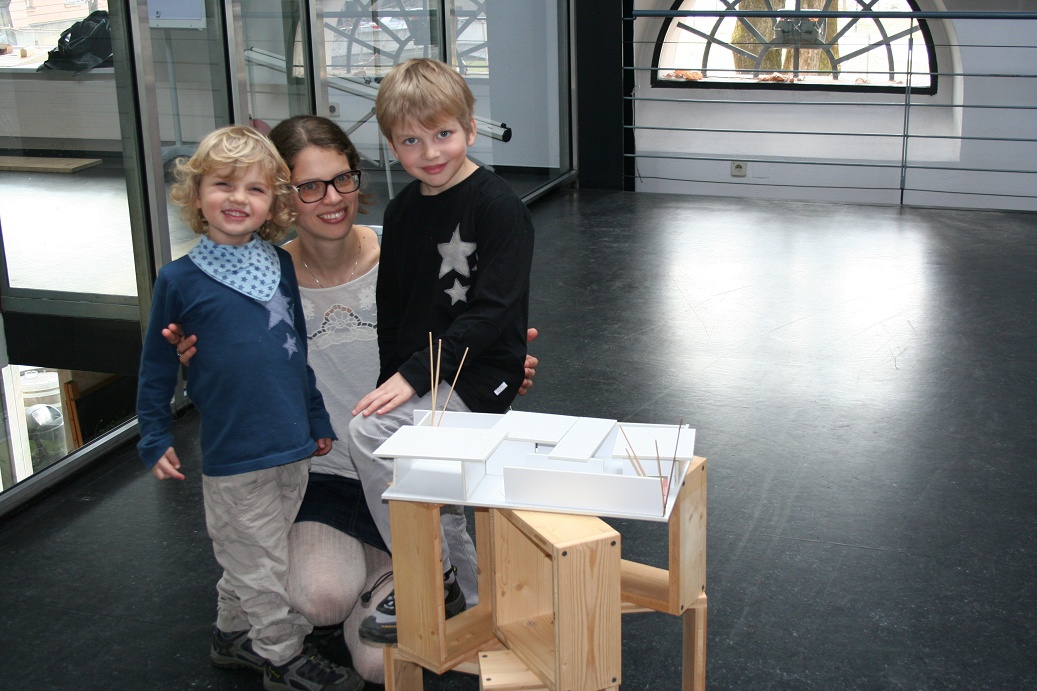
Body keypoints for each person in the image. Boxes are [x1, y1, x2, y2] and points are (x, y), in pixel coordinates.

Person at [164, 115, 539, 683]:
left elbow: (476, 327)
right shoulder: (258, 281)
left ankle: (397, 575)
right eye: (309, 186)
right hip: (323, 478)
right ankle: (380, 578)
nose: (333, 199)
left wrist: (498, 369)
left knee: (376, 666)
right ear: (282, 195)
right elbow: (224, 370)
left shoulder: (412, 249)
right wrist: (199, 354)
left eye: (342, 179)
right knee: (321, 598)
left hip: (400, 480)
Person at [136, 125, 364, 691]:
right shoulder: (178, 280)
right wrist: (154, 434)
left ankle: (231, 632)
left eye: (255, 189)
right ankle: (282, 656)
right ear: (196, 195)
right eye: (223, 184)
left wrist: (316, 418)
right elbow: (157, 365)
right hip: (237, 455)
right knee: (261, 563)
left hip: (293, 445)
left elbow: (296, 354)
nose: (238, 199)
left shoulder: (278, 265)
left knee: (255, 549)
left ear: (272, 204)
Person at [348, 58, 536, 645]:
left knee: (372, 435)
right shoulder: (402, 211)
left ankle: (428, 575)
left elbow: (492, 312)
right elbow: (394, 310)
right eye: (410, 140)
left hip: (481, 372)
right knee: (431, 482)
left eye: (443, 134)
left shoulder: (498, 206)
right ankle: (466, 605)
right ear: (391, 146)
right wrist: (395, 377)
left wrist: (412, 377)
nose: (429, 152)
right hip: (427, 371)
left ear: (471, 130)